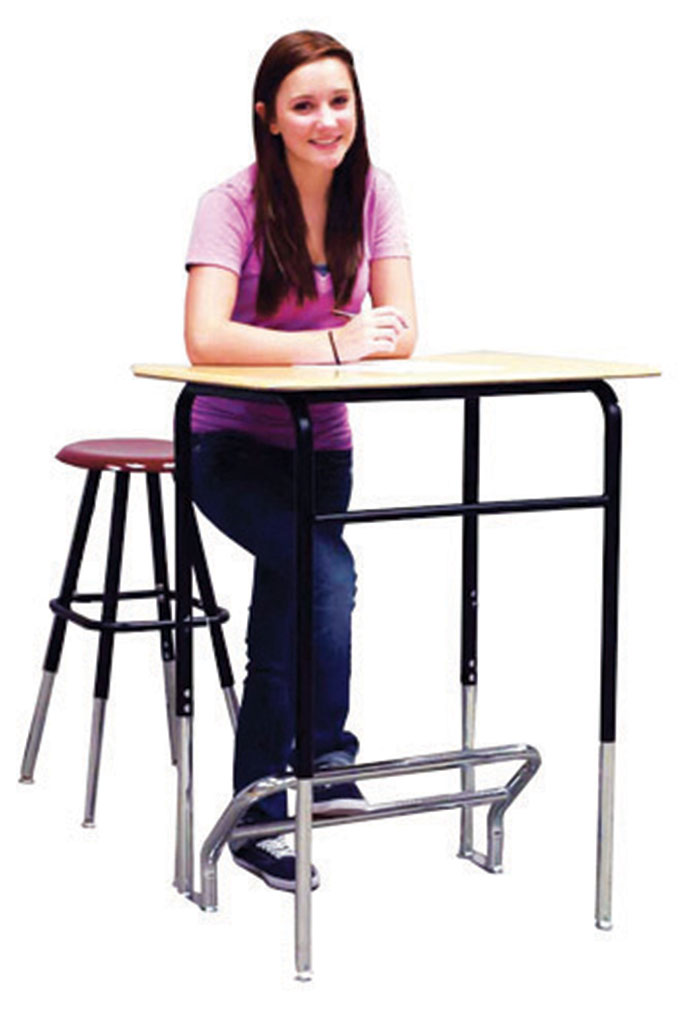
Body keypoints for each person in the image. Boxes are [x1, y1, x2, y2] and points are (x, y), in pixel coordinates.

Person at [184, 29, 417, 892]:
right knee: (324, 581)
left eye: (340, 101)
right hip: (227, 447)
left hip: (324, 452)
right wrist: (333, 345)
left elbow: (401, 331)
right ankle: (321, 760)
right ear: (269, 118)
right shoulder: (231, 202)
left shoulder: (375, 194)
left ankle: (257, 813)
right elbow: (204, 336)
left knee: (287, 620)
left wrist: (358, 342)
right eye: (305, 105)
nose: (327, 120)